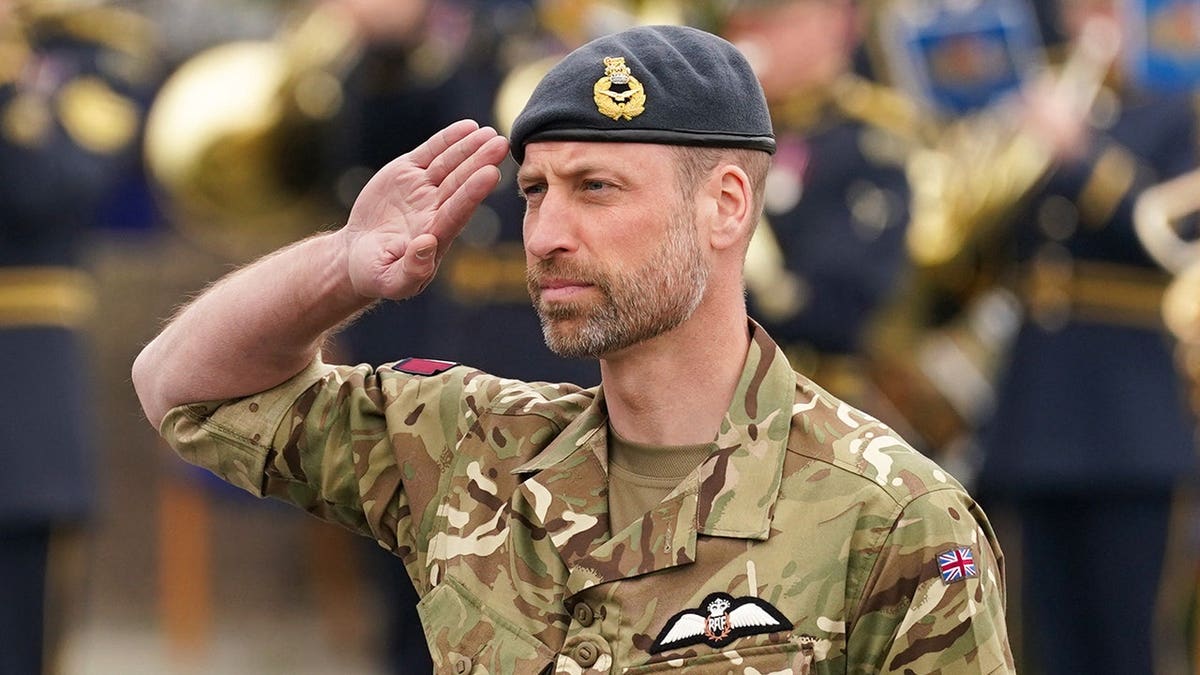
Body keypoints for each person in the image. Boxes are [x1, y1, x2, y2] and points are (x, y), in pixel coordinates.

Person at [132, 25, 1013, 672]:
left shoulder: (892, 517)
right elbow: (185, 389)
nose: (547, 232)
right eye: (533, 191)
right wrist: (344, 266)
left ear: (727, 204)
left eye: (596, 187)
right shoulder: (468, 446)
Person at [902, 0, 1200, 671]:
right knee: (1042, 643)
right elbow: (971, 270)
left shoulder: (1174, 114)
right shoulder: (1026, 121)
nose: (1089, 21)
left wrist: (1082, 155)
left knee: (1129, 642)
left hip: (1131, 422)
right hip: (1035, 421)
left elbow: (1175, 238)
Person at [0, 1, 158, 673]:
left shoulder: (94, 59)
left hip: (21, 379)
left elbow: (49, 188)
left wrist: (9, 81)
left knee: (18, 628)